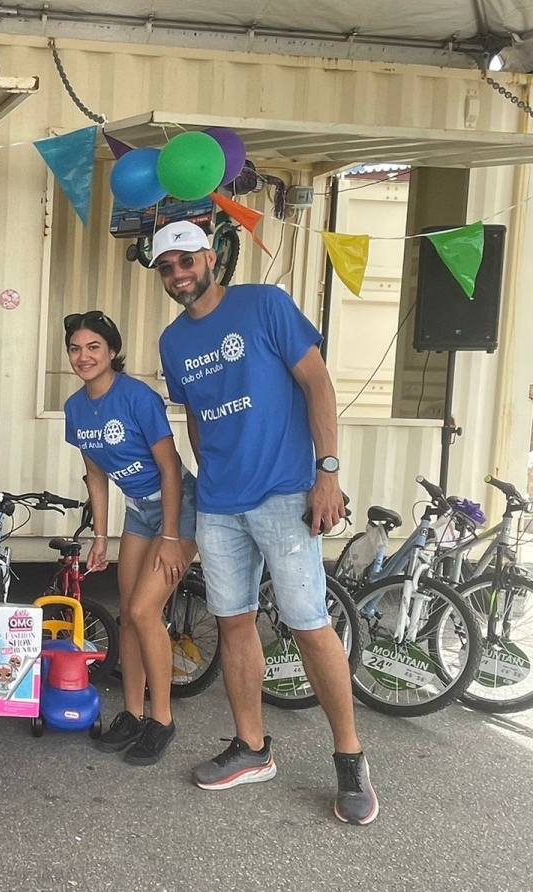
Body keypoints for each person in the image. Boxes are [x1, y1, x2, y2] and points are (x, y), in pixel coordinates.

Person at [155, 221, 378, 825]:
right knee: (233, 625)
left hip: (285, 492)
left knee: (308, 625)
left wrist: (326, 472)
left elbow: (318, 384)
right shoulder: (172, 342)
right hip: (221, 505)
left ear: (208, 257)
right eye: (166, 268)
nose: (178, 275)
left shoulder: (265, 304)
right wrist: (210, 478)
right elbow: (197, 419)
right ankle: (252, 748)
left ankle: (350, 757)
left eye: (184, 261)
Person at [61, 311, 198, 766]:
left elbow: (170, 468)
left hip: (178, 507)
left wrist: (173, 535)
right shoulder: (75, 408)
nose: (83, 356)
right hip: (138, 510)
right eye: (76, 348)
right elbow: (96, 475)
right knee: (128, 615)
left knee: (144, 610)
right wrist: (100, 536)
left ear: (113, 351)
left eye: (93, 347)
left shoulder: (138, 397)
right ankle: (134, 714)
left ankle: (162, 719)